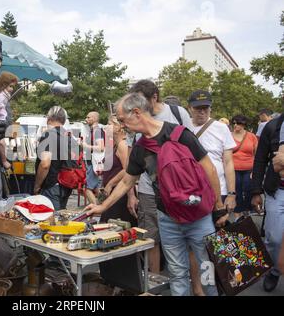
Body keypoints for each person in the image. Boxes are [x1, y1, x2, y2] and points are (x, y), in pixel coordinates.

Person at [85, 92, 227, 296]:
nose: (122, 125)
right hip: (168, 217)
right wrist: (102, 207)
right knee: (177, 273)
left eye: (123, 120)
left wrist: (219, 208)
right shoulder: (140, 148)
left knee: (208, 269)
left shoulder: (180, 134)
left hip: (199, 215)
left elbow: (209, 169)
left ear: (136, 113)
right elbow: (127, 182)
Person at [128, 79, 193, 275]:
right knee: (150, 237)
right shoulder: (136, 119)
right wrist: (132, 193)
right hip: (148, 190)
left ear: (154, 97)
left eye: (140, 101)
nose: (137, 108)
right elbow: (130, 162)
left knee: (185, 235)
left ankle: (188, 280)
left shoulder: (177, 113)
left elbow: (193, 148)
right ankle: (154, 280)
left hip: (179, 187)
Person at [188, 90, 237, 296]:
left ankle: (222, 285)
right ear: (190, 108)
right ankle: (198, 290)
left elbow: (228, 162)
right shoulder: (183, 128)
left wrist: (232, 194)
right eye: (198, 108)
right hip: (193, 196)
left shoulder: (221, 128)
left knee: (219, 245)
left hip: (220, 194)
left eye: (206, 108)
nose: (202, 112)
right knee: (196, 246)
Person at [256, 114, 284, 291]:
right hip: (277, 191)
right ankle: (274, 270)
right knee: (274, 238)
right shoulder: (272, 126)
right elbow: (260, 160)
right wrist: (255, 191)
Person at [34, 106, 76, 210]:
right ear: (64, 120)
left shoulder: (48, 135)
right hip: (66, 185)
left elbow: (45, 164)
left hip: (51, 186)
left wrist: (37, 186)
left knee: (51, 221)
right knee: (60, 220)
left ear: (49, 118)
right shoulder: (69, 136)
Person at [231, 115, 258, 220]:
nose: (235, 125)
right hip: (234, 168)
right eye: (233, 123)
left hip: (248, 168)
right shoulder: (228, 135)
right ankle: (238, 211)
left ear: (243, 124)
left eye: (237, 123)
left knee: (248, 189)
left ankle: (246, 209)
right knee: (236, 190)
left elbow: (257, 155)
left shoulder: (251, 136)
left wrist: (255, 170)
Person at [82, 111, 105, 204]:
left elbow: (101, 147)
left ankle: (97, 209)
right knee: (96, 187)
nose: (86, 119)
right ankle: (104, 206)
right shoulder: (94, 130)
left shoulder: (97, 131)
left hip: (94, 163)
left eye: (88, 117)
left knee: (87, 189)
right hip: (94, 162)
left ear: (95, 119)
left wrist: (85, 146)